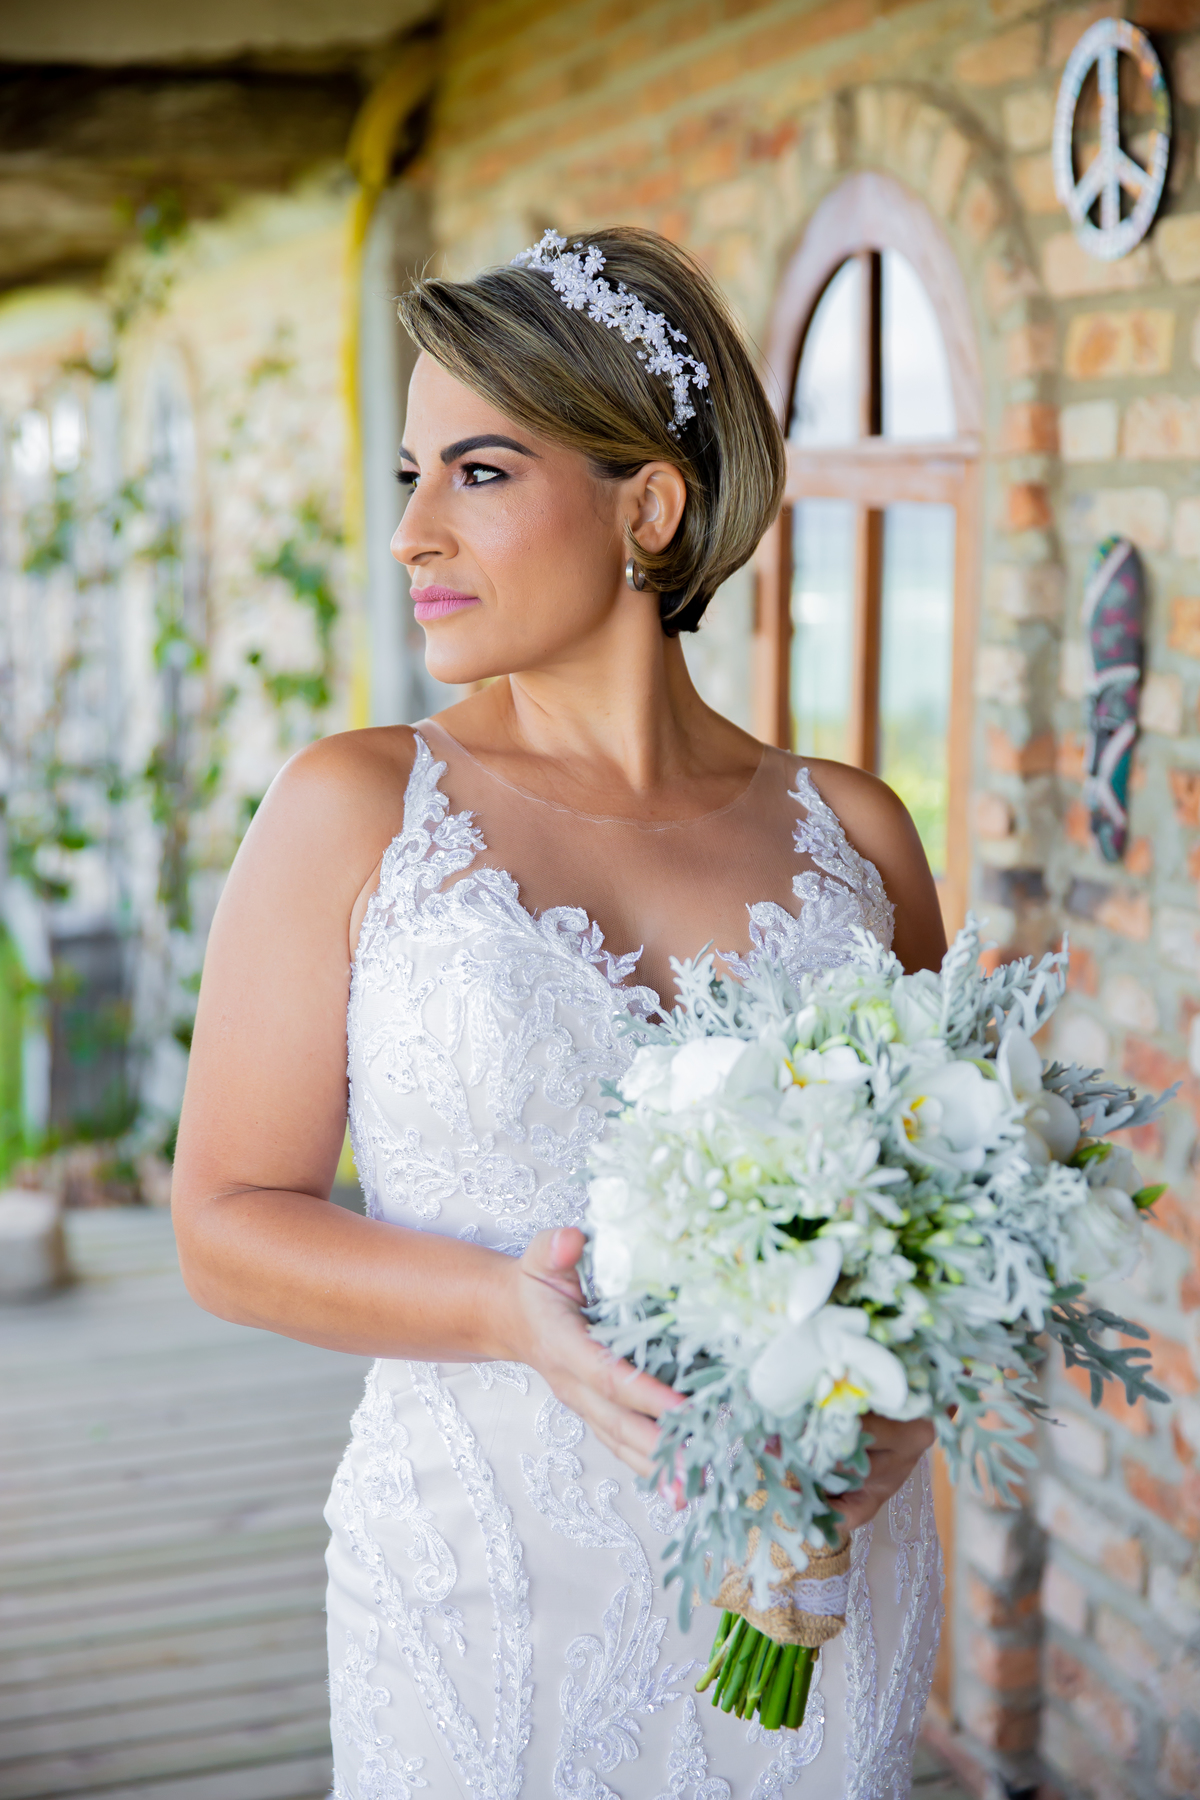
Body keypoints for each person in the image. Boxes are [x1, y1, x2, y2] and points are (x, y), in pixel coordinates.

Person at [173, 227, 947, 1800]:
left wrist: (891, 1439)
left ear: (646, 505)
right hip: (481, 1587)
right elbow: (222, 1224)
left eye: (476, 472)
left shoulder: (856, 835)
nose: (411, 534)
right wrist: (502, 1316)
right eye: (412, 475)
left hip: (809, 1590)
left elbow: (930, 1242)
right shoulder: (354, 808)